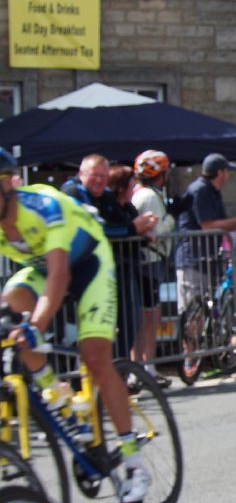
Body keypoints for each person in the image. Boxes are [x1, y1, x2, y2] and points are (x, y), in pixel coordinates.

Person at [0, 147, 150, 503]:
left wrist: (37, 325)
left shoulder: (41, 206)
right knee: (7, 313)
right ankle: (60, 396)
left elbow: (61, 274)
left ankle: (134, 464)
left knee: (95, 357)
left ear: (8, 187)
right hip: (42, 269)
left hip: (88, 264)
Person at [61, 154, 158, 359]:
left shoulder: (105, 194)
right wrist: (134, 228)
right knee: (86, 330)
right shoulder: (72, 193)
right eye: (94, 175)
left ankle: (118, 371)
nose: (99, 180)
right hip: (83, 273)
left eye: (103, 176)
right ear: (82, 174)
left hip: (116, 269)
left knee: (129, 323)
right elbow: (97, 229)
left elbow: (125, 220)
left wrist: (141, 230)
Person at [175, 153, 236, 375]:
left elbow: (222, 225)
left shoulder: (212, 192)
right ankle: (190, 361)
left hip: (209, 258)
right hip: (193, 258)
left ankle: (208, 359)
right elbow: (208, 225)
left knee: (208, 309)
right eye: (227, 172)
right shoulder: (200, 190)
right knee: (194, 310)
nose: (229, 176)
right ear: (220, 172)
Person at [131, 150, 176, 388]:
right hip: (149, 261)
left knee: (146, 316)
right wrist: (172, 218)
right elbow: (158, 230)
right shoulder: (149, 196)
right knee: (149, 316)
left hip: (145, 260)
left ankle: (141, 367)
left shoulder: (141, 193)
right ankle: (145, 367)